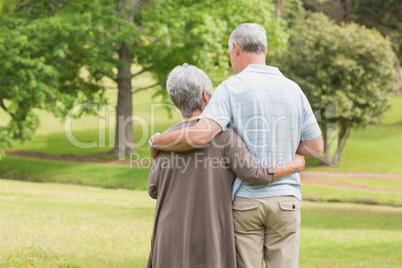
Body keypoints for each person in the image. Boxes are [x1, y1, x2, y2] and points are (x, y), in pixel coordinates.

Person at [149, 24, 323, 268]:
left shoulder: (230, 88)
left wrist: (157, 140)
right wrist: (294, 161)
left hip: (246, 202)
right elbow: (316, 147)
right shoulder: (294, 89)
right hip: (287, 199)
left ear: (235, 48)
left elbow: (200, 135)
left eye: (229, 53)